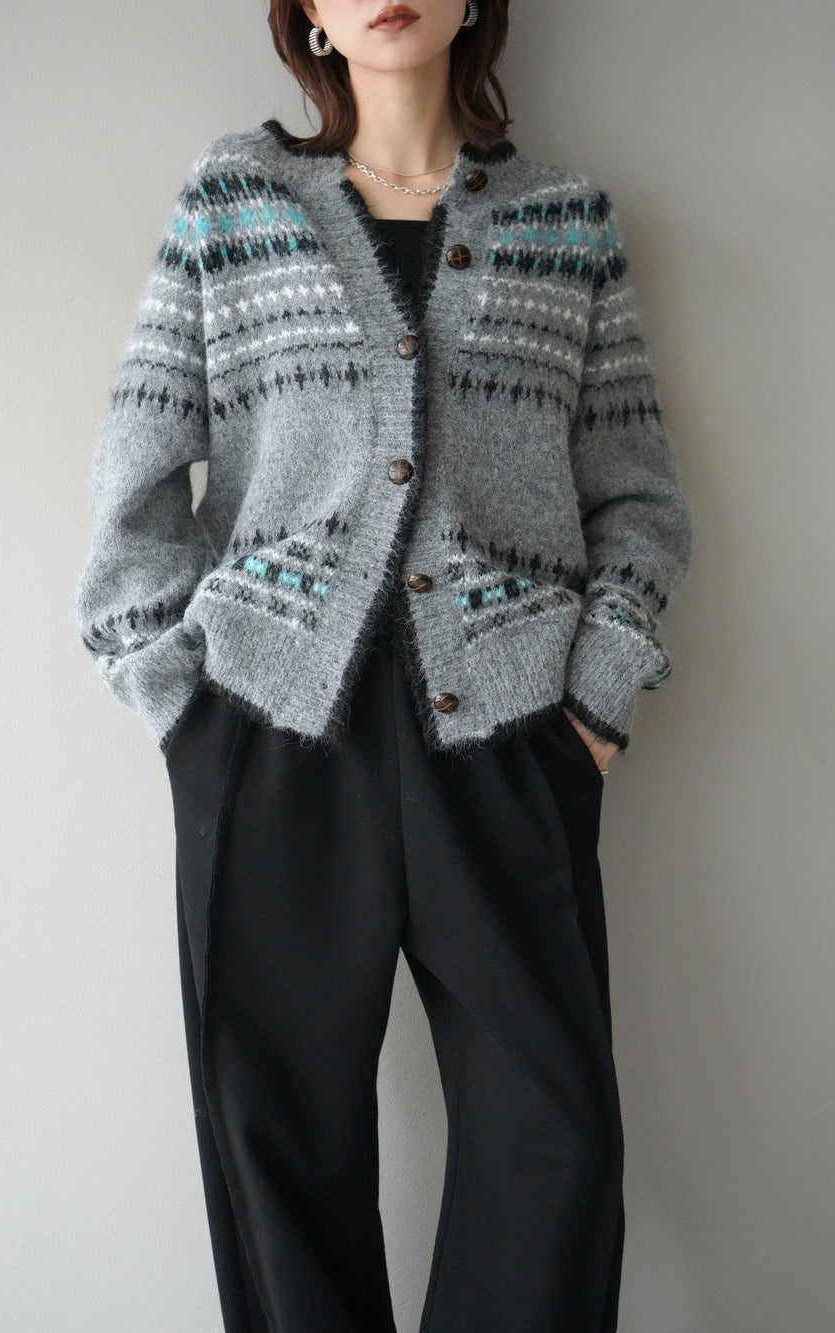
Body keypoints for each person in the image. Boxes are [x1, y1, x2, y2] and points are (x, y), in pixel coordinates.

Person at [74, 1, 694, 1328]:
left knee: (558, 1144)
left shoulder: (565, 222)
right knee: (276, 1148)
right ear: (306, 10)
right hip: (271, 732)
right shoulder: (235, 203)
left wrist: (595, 704)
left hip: (513, 735)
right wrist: (178, 701)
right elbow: (138, 469)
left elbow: (638, 496)